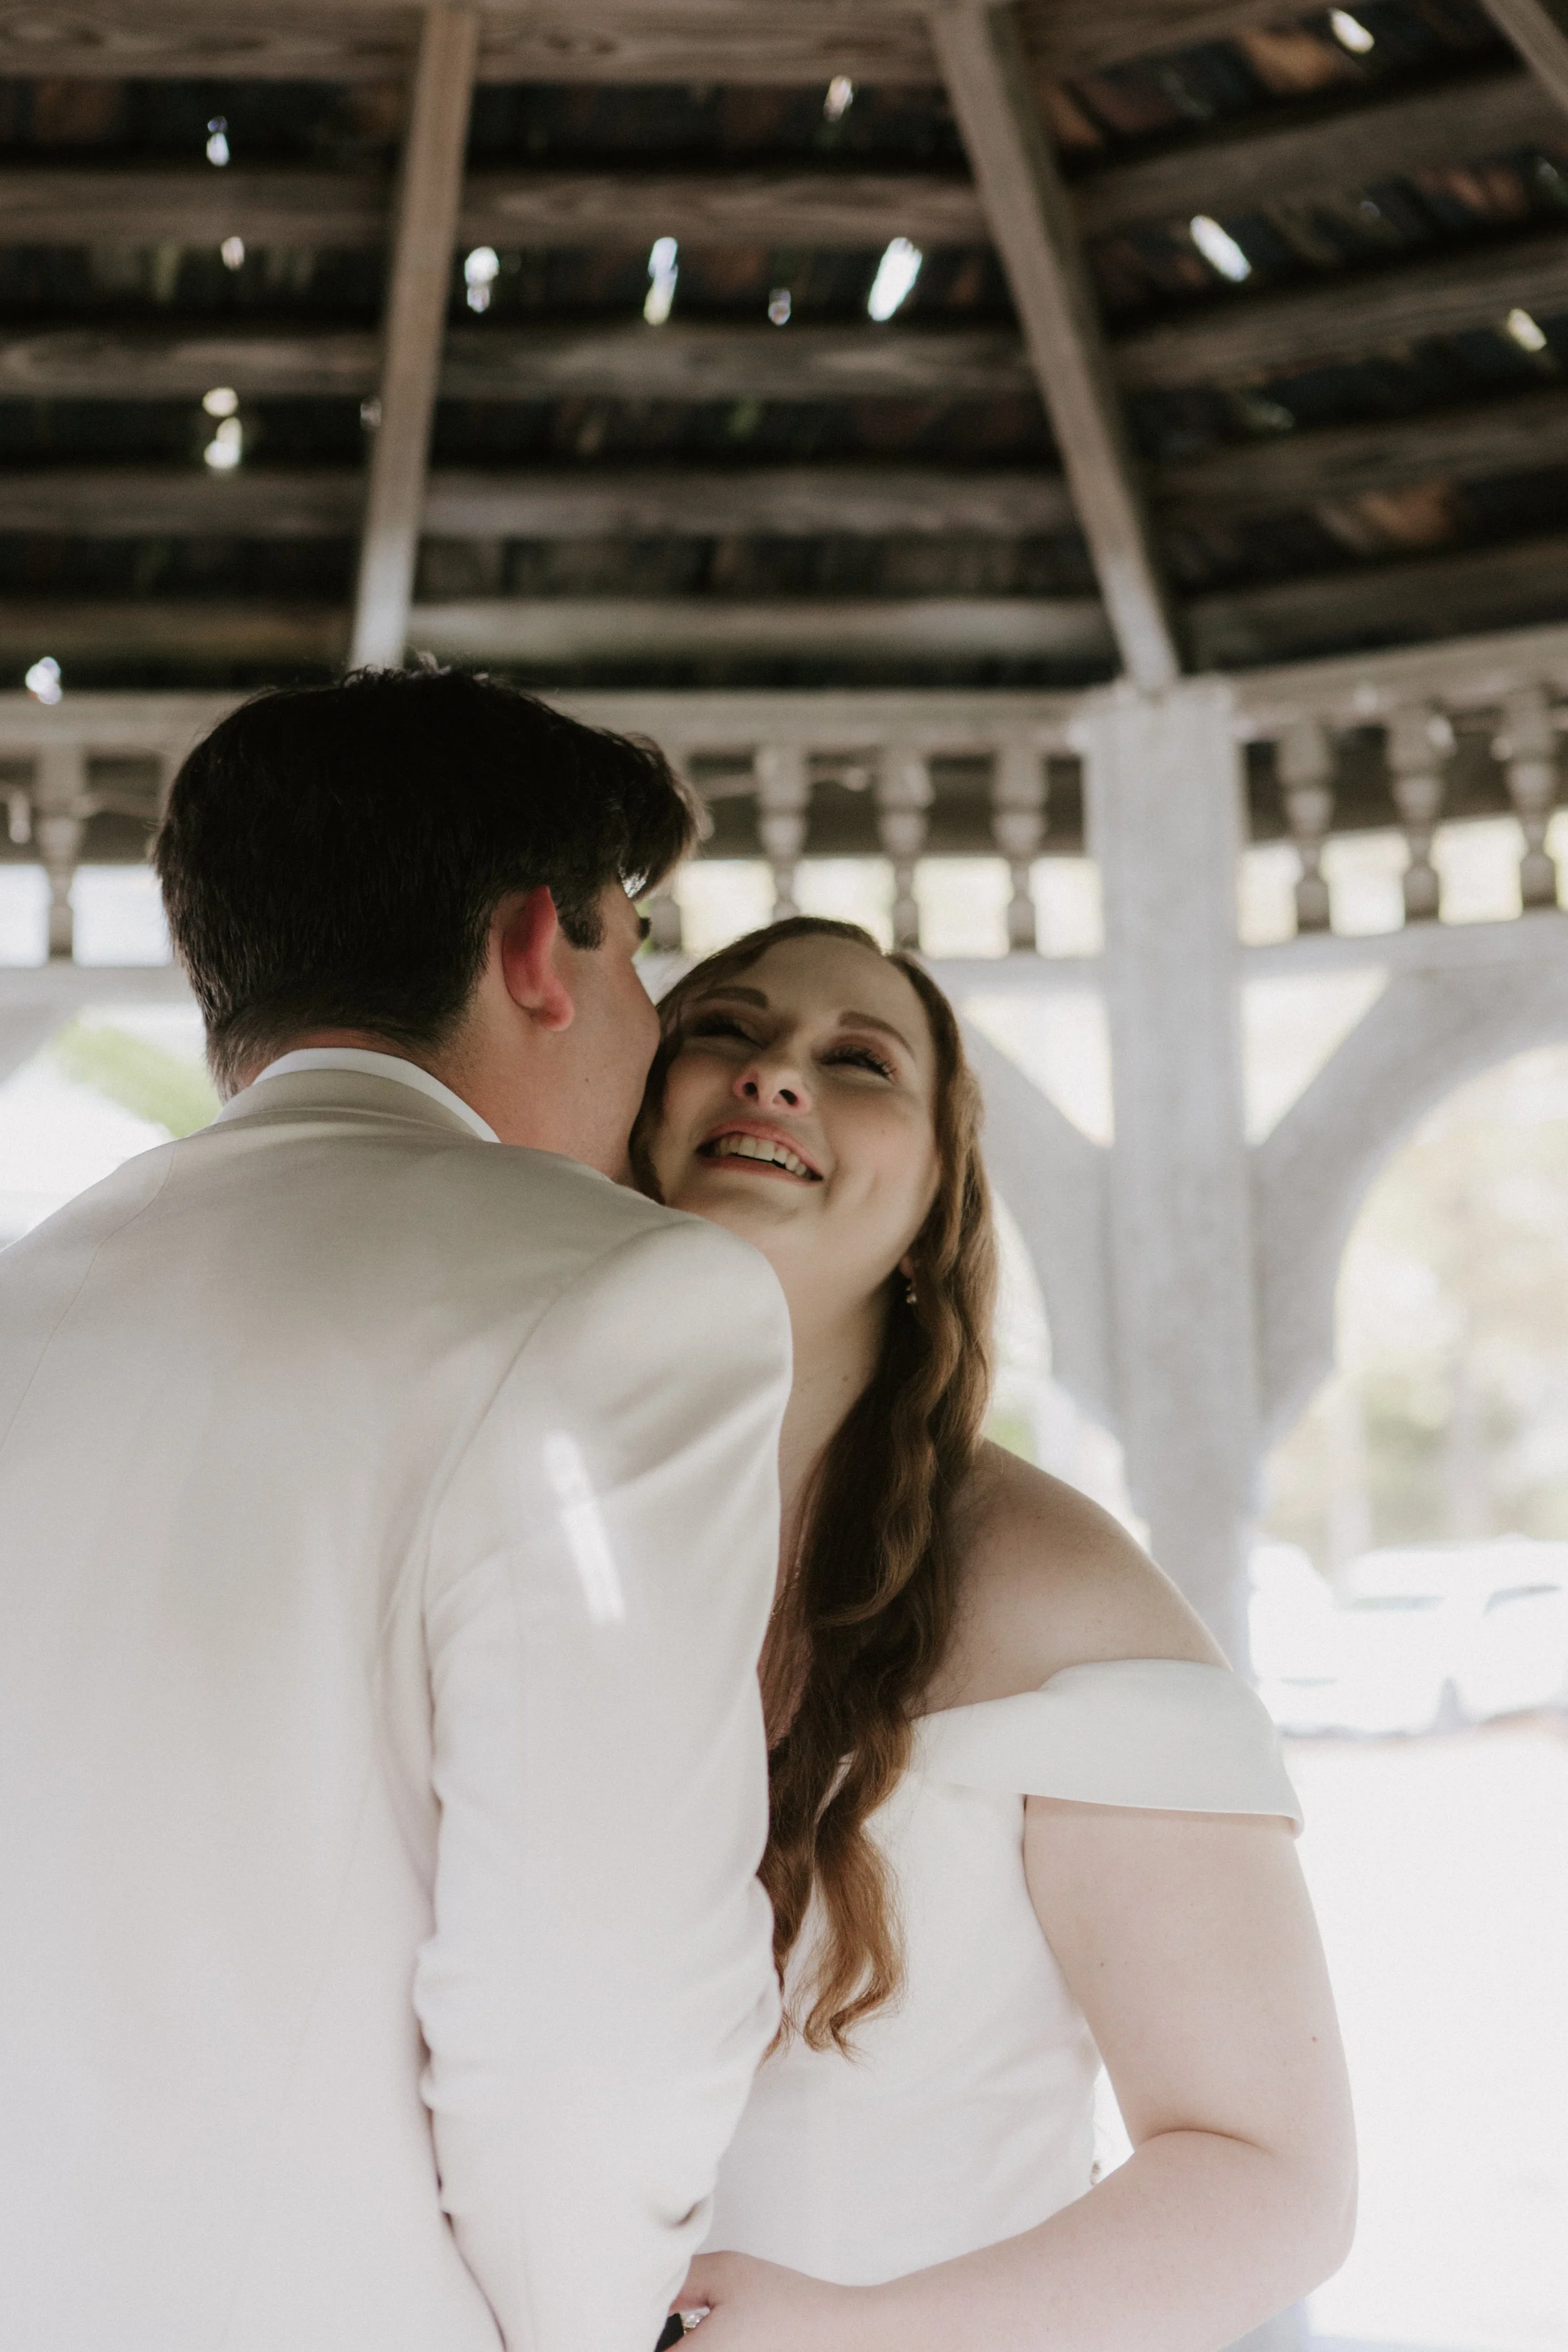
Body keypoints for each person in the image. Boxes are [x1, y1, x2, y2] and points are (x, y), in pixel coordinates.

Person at [0, 670, 792, 2352]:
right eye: (633, 945)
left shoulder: (26, 1297)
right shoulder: (624, 1298)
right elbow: (597, 1997)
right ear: (534, 949)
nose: (652, 1020)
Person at [635, 915, 1357, 2352]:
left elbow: (1272, 2178)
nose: (776, 1073)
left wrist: (852, 2331)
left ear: (932, 1208)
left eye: (859, 1062)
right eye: (725, 1027)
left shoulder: (1049, 1585)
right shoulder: (512, 1527)